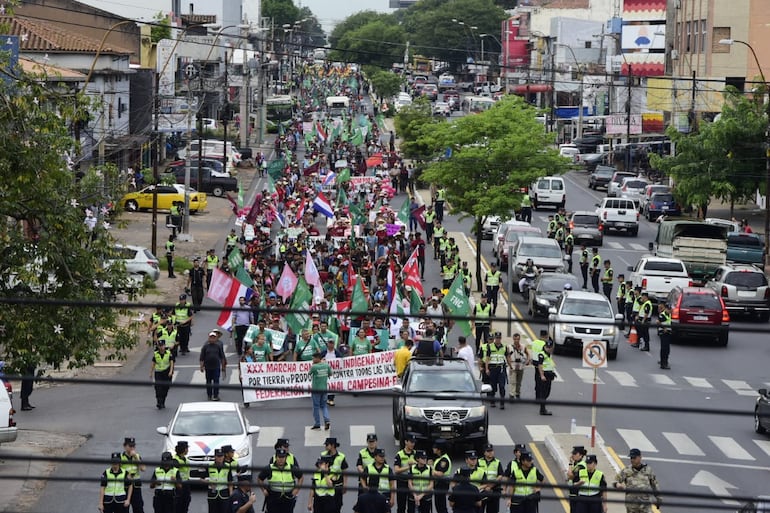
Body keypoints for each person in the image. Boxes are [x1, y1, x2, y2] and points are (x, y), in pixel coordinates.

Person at [613, 449, 661, 513]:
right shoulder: (626, 470)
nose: (632, 460)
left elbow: (654, 485)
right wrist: (617, 484)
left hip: (645, 504)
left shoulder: (648, 470)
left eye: (634, 458)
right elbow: (615, 481)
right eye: (631, 458)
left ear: (640, 457)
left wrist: (659, 499)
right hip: (631, 505)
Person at [258, 448, 302, 513]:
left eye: (283, 457)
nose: (281, 459)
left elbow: (301, 477)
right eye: (279, 457)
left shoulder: (291, 468)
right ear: (276, 457)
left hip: (288, 499)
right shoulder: (269, 468)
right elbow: (259, 479)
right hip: (273, 500)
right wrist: (263, 490)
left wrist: (296, 490)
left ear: (286, 458)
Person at [483, 332, 513, 409]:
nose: (498, 339)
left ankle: (502, 403)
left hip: (501, 368)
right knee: (493, 386)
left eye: (499, 338)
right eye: (496, 338)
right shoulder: (490, 347)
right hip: (492, 368)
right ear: (495, 338)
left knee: (502, 386)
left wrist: (511, 367)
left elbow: (508, 357)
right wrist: (486, 369)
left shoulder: (504, 347)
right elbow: (487, 359)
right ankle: (492, 401)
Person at [321, 437, 349, 513]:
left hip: (337, 486)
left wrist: (345, 485)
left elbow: (344, 471)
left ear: (333, 445)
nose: (325, 447)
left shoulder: (341, 457)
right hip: (326, 486)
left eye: (327, 445)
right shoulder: (323, 455)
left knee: (337, 506)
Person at [532, 333, 556, 416]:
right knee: (543, 392)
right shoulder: (542, 355)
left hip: (549, 375)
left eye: (550, 347)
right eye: (547, 347)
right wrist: (542, 375)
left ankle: (542, 405)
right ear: (545, 346)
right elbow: (540, 365)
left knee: (547, 392)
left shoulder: (548, 354)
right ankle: (542, 409)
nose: (549, 349)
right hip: (544, 375)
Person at [200, 331, 227, 401]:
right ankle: (209, 395)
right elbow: (202, 357)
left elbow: (222, 357)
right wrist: (201, 366)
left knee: (216, 381)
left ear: (215, 338)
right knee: (208, 381)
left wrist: (223, 366)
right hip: (208, 367)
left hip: (216, 367)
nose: (212, 339)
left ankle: (215, 395)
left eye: (213, 337)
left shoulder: (218, 346)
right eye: (211, 337)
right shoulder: (205, 346)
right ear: (209, 338)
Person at [121, 437, 146, 513]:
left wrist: (135, 457)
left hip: (136, 487)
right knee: (124, 508)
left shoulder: (137, 456)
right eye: (130, 446)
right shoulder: (121, 457)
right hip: (125, 486)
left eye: (133, 446)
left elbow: (143, 469)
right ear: (125, 446)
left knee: (138, 508)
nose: (132, 448)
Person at [394, 433, 418, 513]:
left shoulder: (416, 454)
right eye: (411, 442)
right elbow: (396, 470)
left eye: (414, 442)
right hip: (402, 482)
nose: (412, 444)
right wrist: (409, 466)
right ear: (406, 442)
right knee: (401, 506)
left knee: (412, 507)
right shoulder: (399, 455)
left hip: (413, 483)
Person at [309, 352, 331, 430]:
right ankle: (327, 420)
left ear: (317, 358)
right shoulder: (326, 365)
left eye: (313, 358)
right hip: (324, 388)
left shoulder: (314, 367)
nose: (313, 359)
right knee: (324, 406)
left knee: (316, 407)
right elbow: (330, 374)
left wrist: (313, 365)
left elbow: (309, 373)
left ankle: (317, 423)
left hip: (316, 389)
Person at [478, 444, 504, 513]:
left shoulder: (497, 462)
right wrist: (484, 487)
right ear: (484, 453)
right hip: (482, 490)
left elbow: (500, 476)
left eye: (491, 451)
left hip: (494, 489)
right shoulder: (479, 462)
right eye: (488, 451)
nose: (490, 452)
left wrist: (490, 486)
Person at [150, 340, 174, 409]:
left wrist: (171, 371)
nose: (161, 347)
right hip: (158, 372)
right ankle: (159, 402)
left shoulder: (168, 353)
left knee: (165, 388)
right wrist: (151, 372)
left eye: (162, 346)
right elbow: (153, 363)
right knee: (158, 388)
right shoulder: (156, 354)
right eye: (159, 346)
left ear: (164, 346)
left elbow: (171, 362)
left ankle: (162, 402)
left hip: (166, 372)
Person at [207, 449, 233, 513]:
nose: (220, 458)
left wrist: (231, 494)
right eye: (218, 456)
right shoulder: (209, 466)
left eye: (221, 456)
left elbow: (230, 481)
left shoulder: (228, 466)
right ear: (215, 457)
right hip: (212, 494)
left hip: (224, 494)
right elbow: (201, 479)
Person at [566, 446, 588, 513]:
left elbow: (570, 475)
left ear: (581, 455)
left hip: (577, 494)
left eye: (575, 454)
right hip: (573, 494)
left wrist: (570, 463)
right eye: (573, 453)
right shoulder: (576, 464)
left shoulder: (581, 466)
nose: (573, 455)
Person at [508, 334, 530, 400]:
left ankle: (517, 393)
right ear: (513, 339)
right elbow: (508, 356)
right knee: (513, 381)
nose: (516, 340)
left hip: (521, 366)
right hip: (513, 366)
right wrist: (510, 365)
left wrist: (527, 360)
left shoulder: (523, 346)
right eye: (515, 339)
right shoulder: (509, 347)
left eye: (518, 339)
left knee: (519, 382)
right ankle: (512, 394)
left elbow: (528, 354)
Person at [172, 442, 191, 513]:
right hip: (179, 486)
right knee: (178, 506)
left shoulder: (185, 459)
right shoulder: (175, 460)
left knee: (186, 504)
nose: (188, 450)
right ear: (184, 449)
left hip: (186, 484)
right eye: (187, 448)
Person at [656, 303, 672, 369]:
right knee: (664, 348)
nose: (669, 310)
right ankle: (663, 364)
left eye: (670, 309)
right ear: (665, 309)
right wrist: (664, 328)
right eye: (668, 309)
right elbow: (657, 322)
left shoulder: (669, 315)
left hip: (668, 333)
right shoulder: (662, 315)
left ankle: (665, 361)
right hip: (663, 333)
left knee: (667, 349)